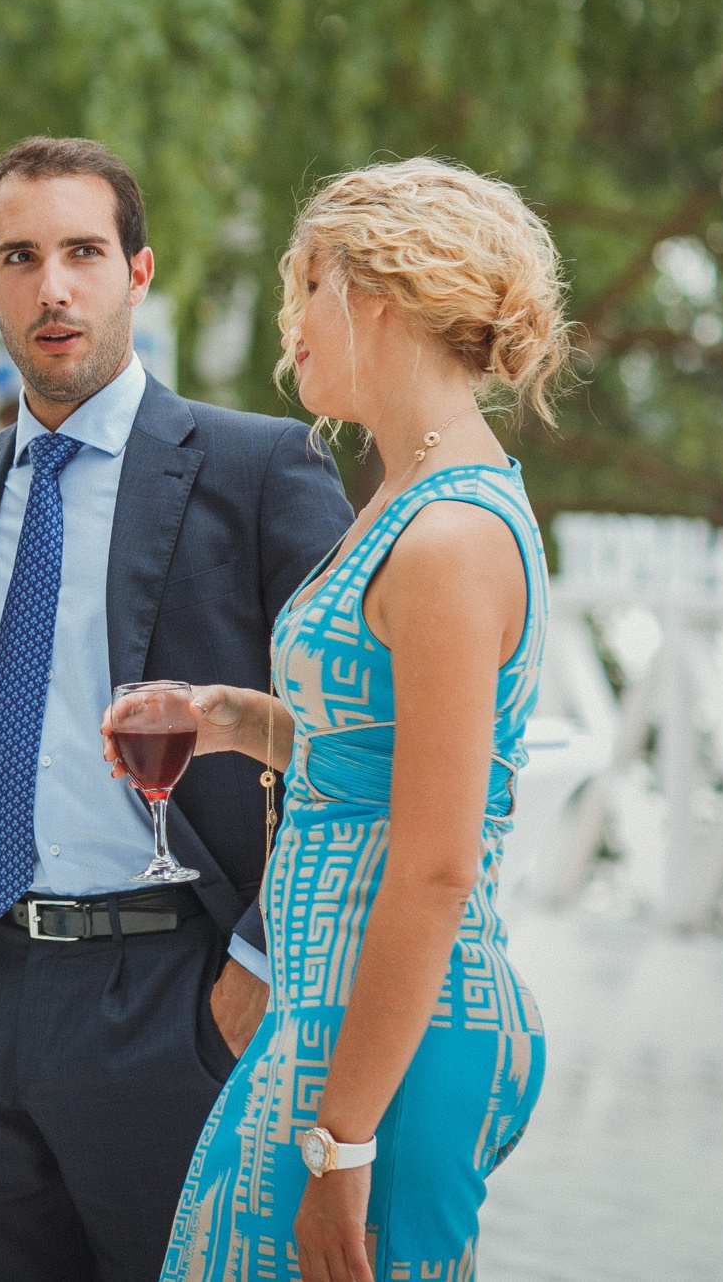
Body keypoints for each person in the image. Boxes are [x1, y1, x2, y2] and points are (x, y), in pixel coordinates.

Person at [0, 136, 351, 1281]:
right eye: (20, 257)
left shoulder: (258, 469)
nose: (54, 286)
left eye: (84, 251)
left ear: (138, 271)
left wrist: (262, 967)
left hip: (173, 999)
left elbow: (347, 743)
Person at [142, 158, 564, 1282]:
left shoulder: (447, 535)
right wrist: (240, 721)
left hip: (393, 1036)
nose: (292, 332)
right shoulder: (407, 492)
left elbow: (433, 862)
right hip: (332, 1011)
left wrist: (342, 1143)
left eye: (304, 293)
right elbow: (384, 760)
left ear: (373, 295)